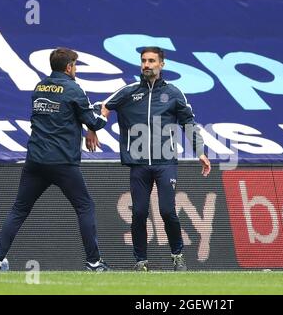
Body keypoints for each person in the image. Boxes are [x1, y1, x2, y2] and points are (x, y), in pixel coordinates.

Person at [0, 48, 111, 272]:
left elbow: (63, 113)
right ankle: (94, 263)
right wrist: (103, 115)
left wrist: (88, 124)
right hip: (62, 162)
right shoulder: (74, 88)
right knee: (85, 207)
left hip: (35, 161)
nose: (76, 69)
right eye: (75, 65)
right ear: (69, 67)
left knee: (19, 209)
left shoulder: (40, 87)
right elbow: (92, 120)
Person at [86, 47, 211, 272]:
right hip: (139, 164)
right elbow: (100, 107)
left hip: (165, 163)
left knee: (167, 211)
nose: (146, 64)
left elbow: (189, 123)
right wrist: (92, 129)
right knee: (140, 213)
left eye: (152, 61)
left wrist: (200, 151)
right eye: (143, 61)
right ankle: (141, 262)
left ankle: (177, 256)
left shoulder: (174, 93)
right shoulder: (129, 92)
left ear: (161, 64)